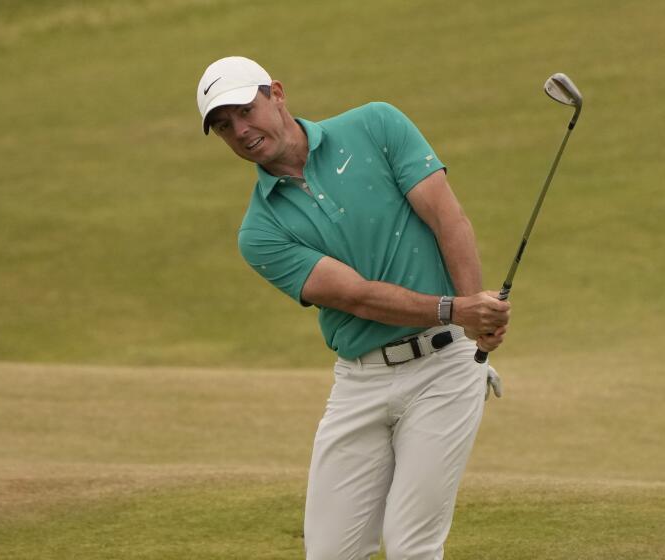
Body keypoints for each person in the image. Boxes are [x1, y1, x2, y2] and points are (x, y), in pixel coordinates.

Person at [196, 56, 510, 560]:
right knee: (329, 553)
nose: (241, 131)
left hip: (444, 369)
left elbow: (448, 218)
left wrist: (477, 317)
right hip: (360, 382)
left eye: (245, 110)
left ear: (276, 93)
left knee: (411, 546)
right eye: (224, 126)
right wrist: (459, 309)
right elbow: (359, 296)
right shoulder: (260, 232)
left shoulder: (376, 125)